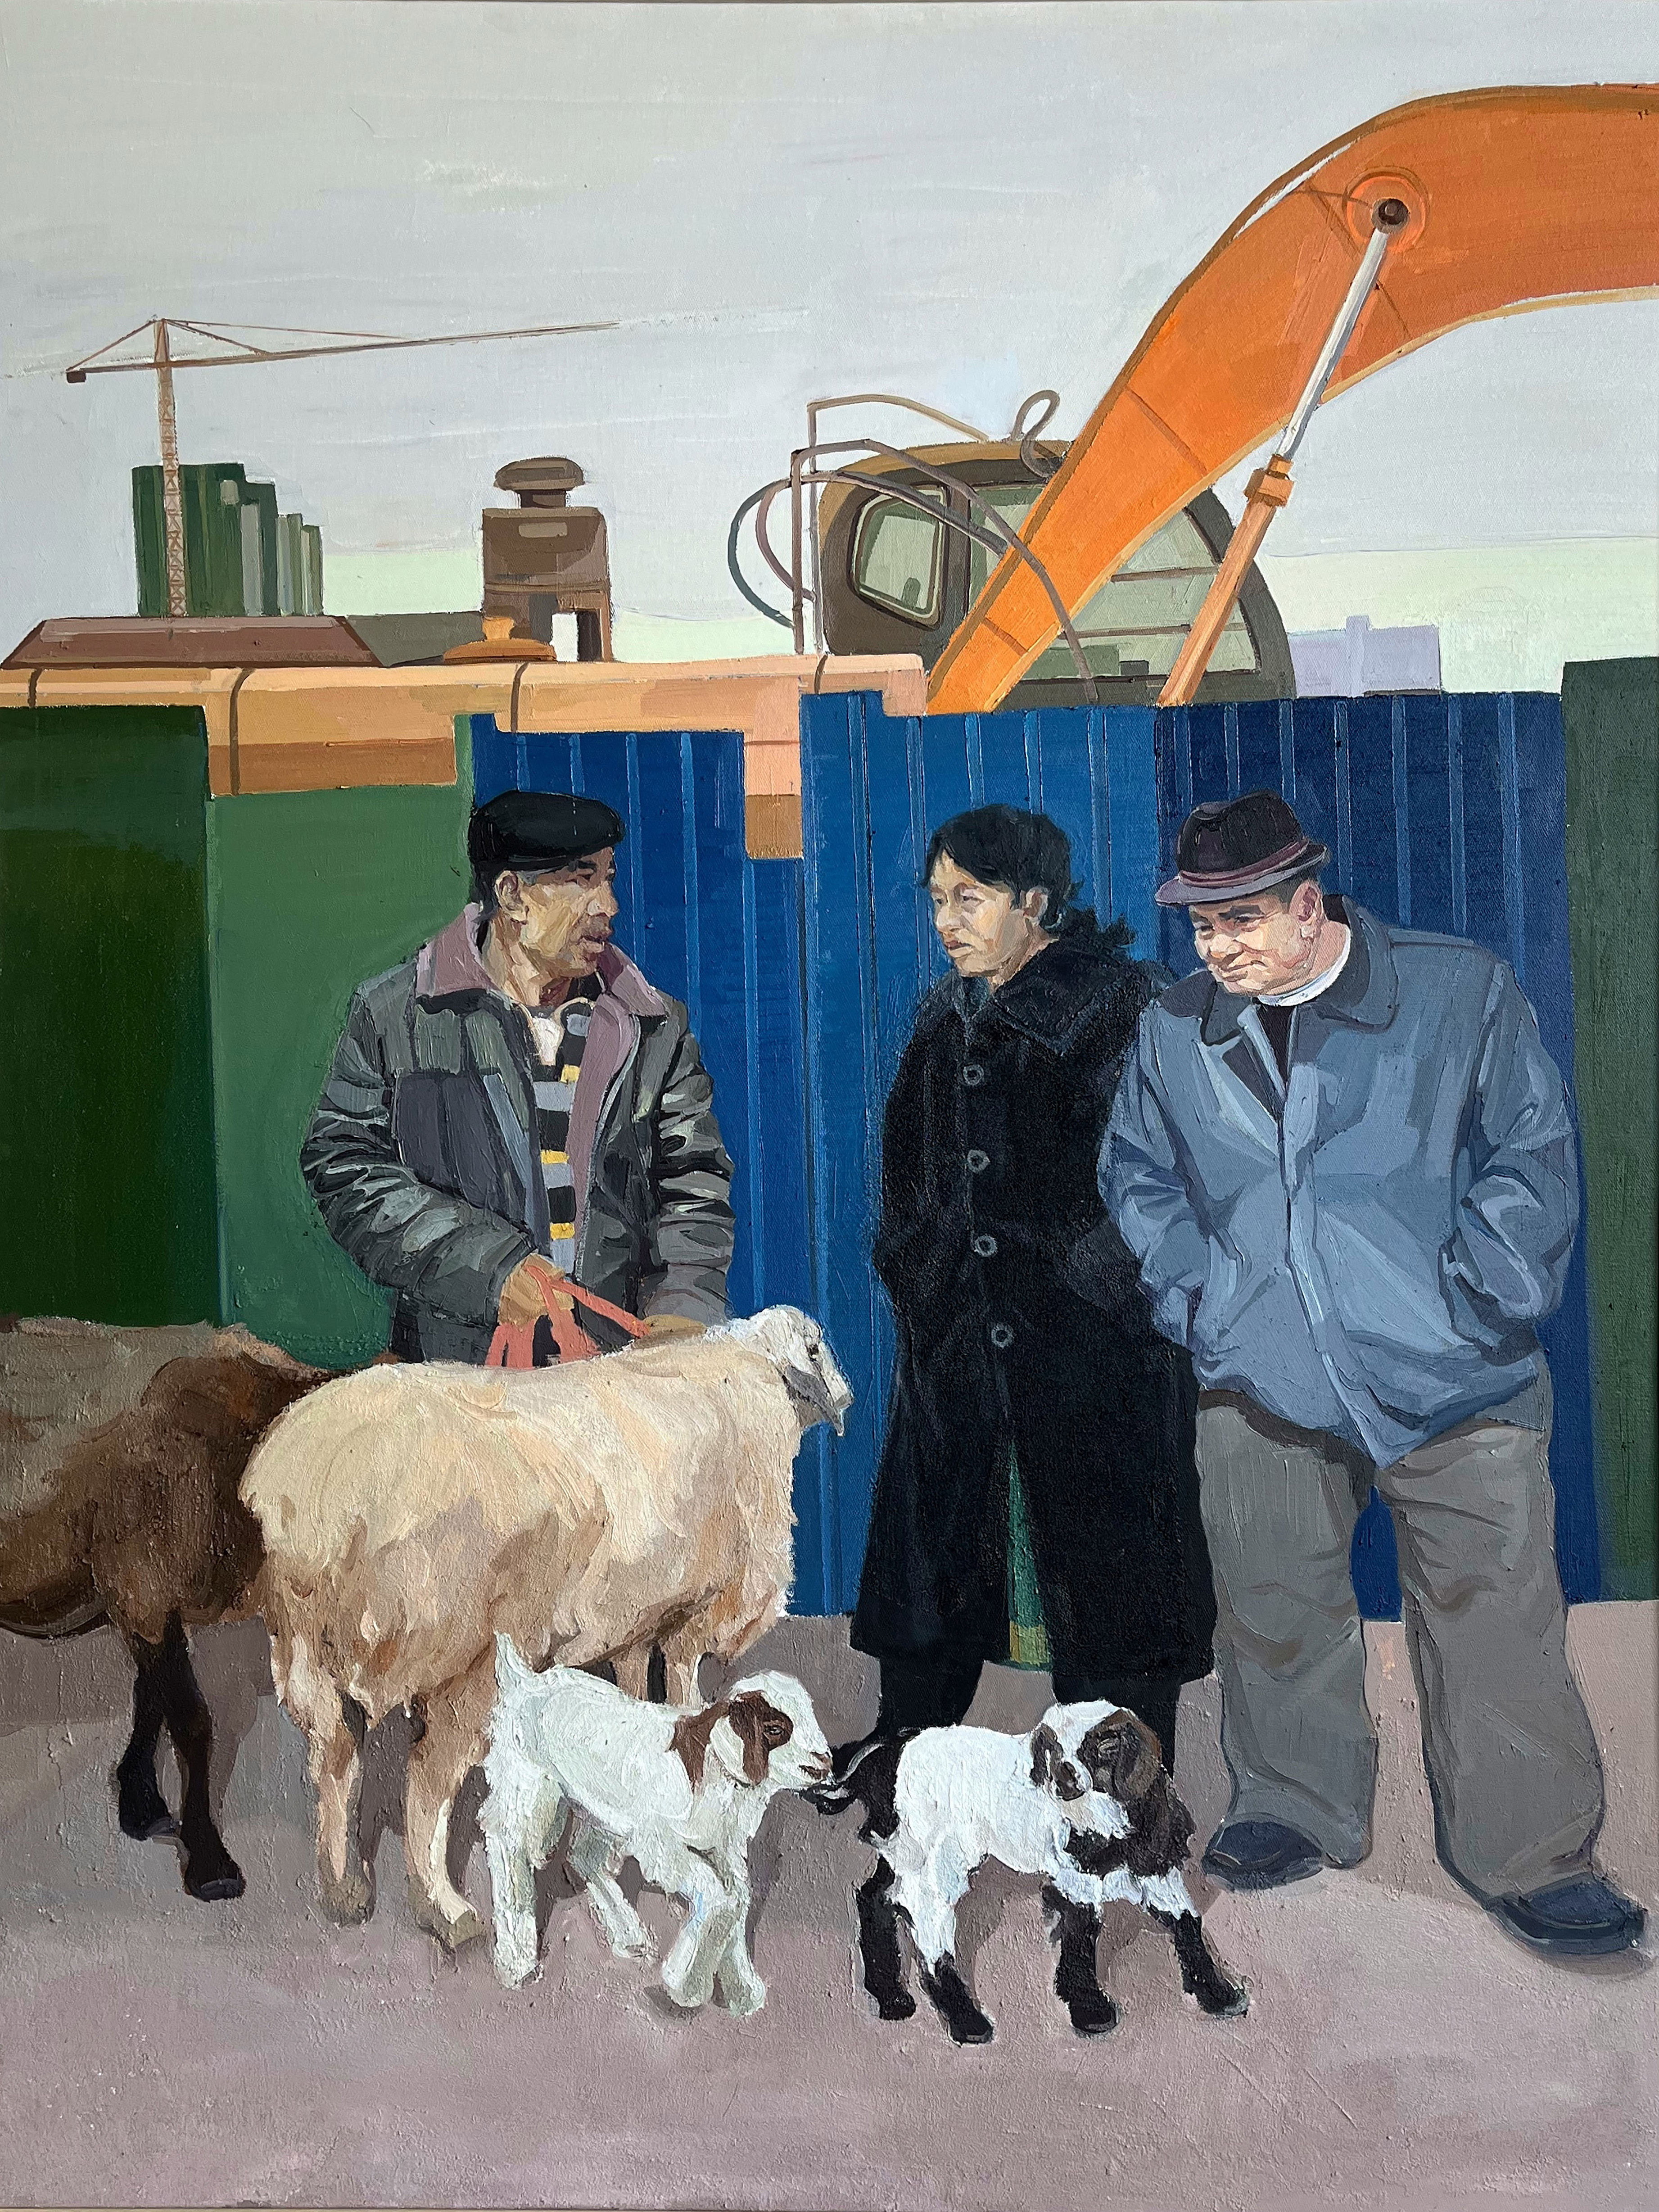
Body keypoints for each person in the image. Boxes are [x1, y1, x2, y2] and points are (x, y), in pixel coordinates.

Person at [1102, 787, 1645, 1958]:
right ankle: (1292, 1803)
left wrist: (1480, 1297)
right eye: (1201, 925)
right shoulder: (1173, 1030)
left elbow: (1530, 1156)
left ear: (1308, 905)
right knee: (1272, 1605)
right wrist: (1200, 1299)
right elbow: (1137, 1177)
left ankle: (1533, 1857)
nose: (1218, 948)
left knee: (1493, 1618)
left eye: (1242, 919)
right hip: (1259, 1370)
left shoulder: (1456, 992)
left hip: (1456, 1376)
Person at [842, 805, 1216, 1776]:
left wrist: (1095, 1283)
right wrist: (922, 1274)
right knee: (940, 1558)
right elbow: (908, 1177)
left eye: (969, 898)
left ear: (1035, 903)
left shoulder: (1123, 1006)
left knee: (1108, 1585)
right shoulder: (943, 1016)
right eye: (937, 900)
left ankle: (1124, 1789)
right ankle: (906, 1756)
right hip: (960, 1345)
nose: (946, 921)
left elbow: (1173, 1170)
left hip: (1093, 1357)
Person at [302, 789, 733, 1364]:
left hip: (615, 1380)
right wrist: (490, 1267)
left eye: (609, 877)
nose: (609, 905)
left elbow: (694, 1182)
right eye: (582, 879)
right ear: (512, 895)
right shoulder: (395, 1015)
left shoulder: (654, 1026)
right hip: (456, 1378)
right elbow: (344, 1166)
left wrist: (685, 1303)